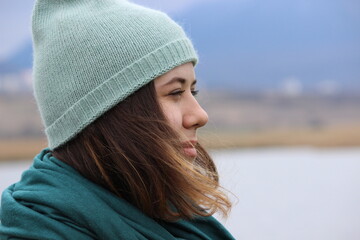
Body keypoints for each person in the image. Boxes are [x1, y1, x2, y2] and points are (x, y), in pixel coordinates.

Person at [0, 0, 234, 239]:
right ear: (110, 111)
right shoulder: (37, 231)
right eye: (175, 93)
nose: (200, 115)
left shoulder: (173, 217)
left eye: (192, 92)